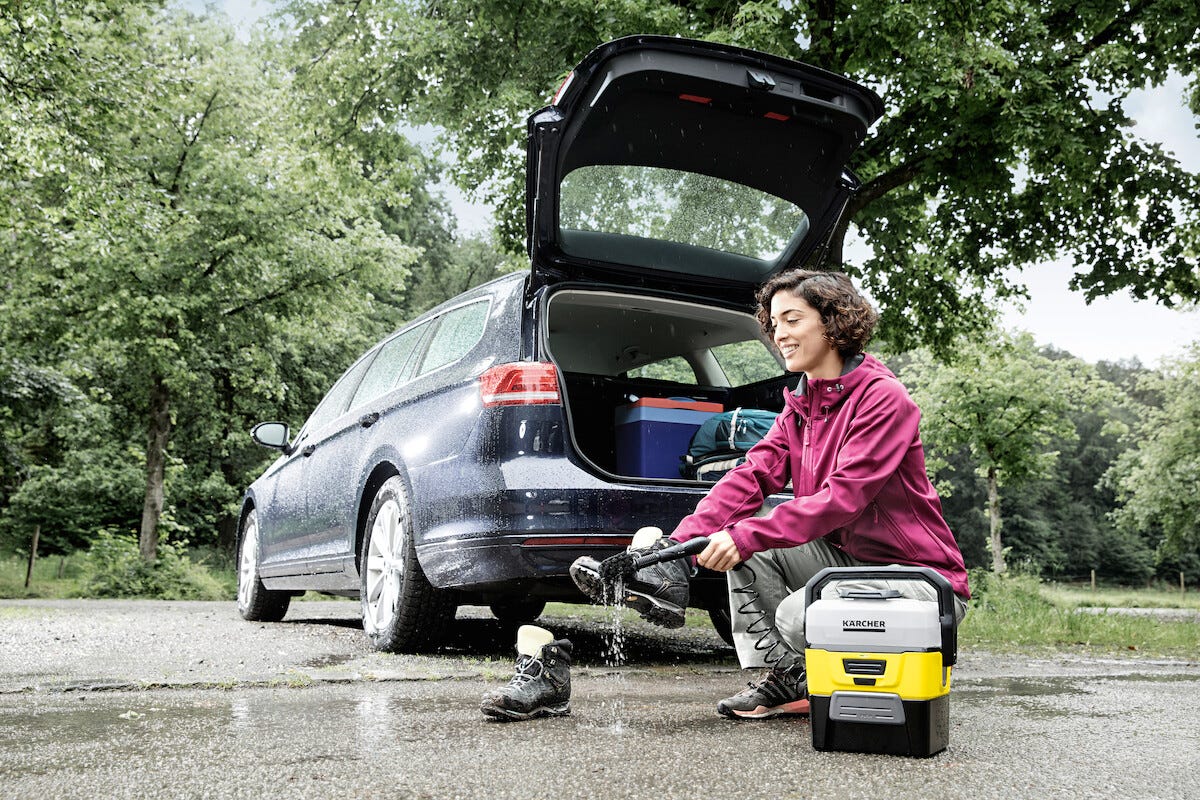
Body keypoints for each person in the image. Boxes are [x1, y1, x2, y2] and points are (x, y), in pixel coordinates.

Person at [571, 268, 970, 719]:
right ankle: (788, 677)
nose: (779, 334)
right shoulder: (801, 405)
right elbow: (751, 476)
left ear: (834, 322)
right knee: (747, 540)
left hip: (921, 580)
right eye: (775, 323)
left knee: (801, 615)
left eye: (793, 320)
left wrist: (744, 536)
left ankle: (828, 674)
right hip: (850, 561)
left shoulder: (884, 398)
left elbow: (842, 499)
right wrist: (677, 547)